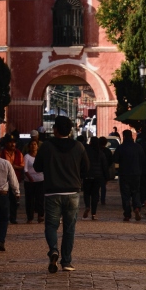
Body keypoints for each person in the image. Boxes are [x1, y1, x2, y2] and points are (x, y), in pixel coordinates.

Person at [33, 115, 89, 272]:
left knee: (51, 225)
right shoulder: (78, 147)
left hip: (52, 192)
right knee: (69, 228)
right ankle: (66, 262)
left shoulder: (47, 147)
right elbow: (86, 168)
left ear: (55, 129)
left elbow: (37, 167)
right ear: (70, 130)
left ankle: (53, 250)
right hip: (72, 192)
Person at [113, 130, 145, 222]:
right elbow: (143, 159)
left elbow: (115, 159)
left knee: (125, 194)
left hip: (124, 174)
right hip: (136, 173)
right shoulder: (138, 147)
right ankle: (137, 208)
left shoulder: (121, 147)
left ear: (124, 136)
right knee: (136, 192)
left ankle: (127, 214)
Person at [82, 137, 108, 219]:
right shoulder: (100, 153)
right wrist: (106, 177)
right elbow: (104, 166)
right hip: (98, 176)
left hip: (87, 175)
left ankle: (87, 206)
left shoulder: (86, 152)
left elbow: (82, 164)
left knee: (86, 193)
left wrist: (81, 174)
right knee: (95, 194)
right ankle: (94, 214)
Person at [1, 137, 24, 224]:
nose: (12, 144)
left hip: (15, 179)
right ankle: (4, 218)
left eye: (14, 142)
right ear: (6, 144)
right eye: (10, 142)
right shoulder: (2, 153)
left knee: (14, 200)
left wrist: (14, 166)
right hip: (4, 180)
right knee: (4, 201)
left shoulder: (18, 153)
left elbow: (22, 166)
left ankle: (13, 218)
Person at [23, 138, 44, 222]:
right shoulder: (27, 156)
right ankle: (30, 217)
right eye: (31, 145)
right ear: (29, 147)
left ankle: (40, 215)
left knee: (40, 199)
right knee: (30, 199)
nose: (33, 146)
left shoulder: (41, 155)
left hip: (40, 180)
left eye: (35, 144)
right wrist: (29, 177)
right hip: (29, 181)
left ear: (37, 146)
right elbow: (25, 169)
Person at [98, 136, 113, 205]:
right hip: (104, 171)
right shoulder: (107, 151)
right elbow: (111, 161)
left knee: (96, 186)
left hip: (97, 171)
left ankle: (97, 198)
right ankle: (103, 200)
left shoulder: (96, 150)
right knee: (103, 187)